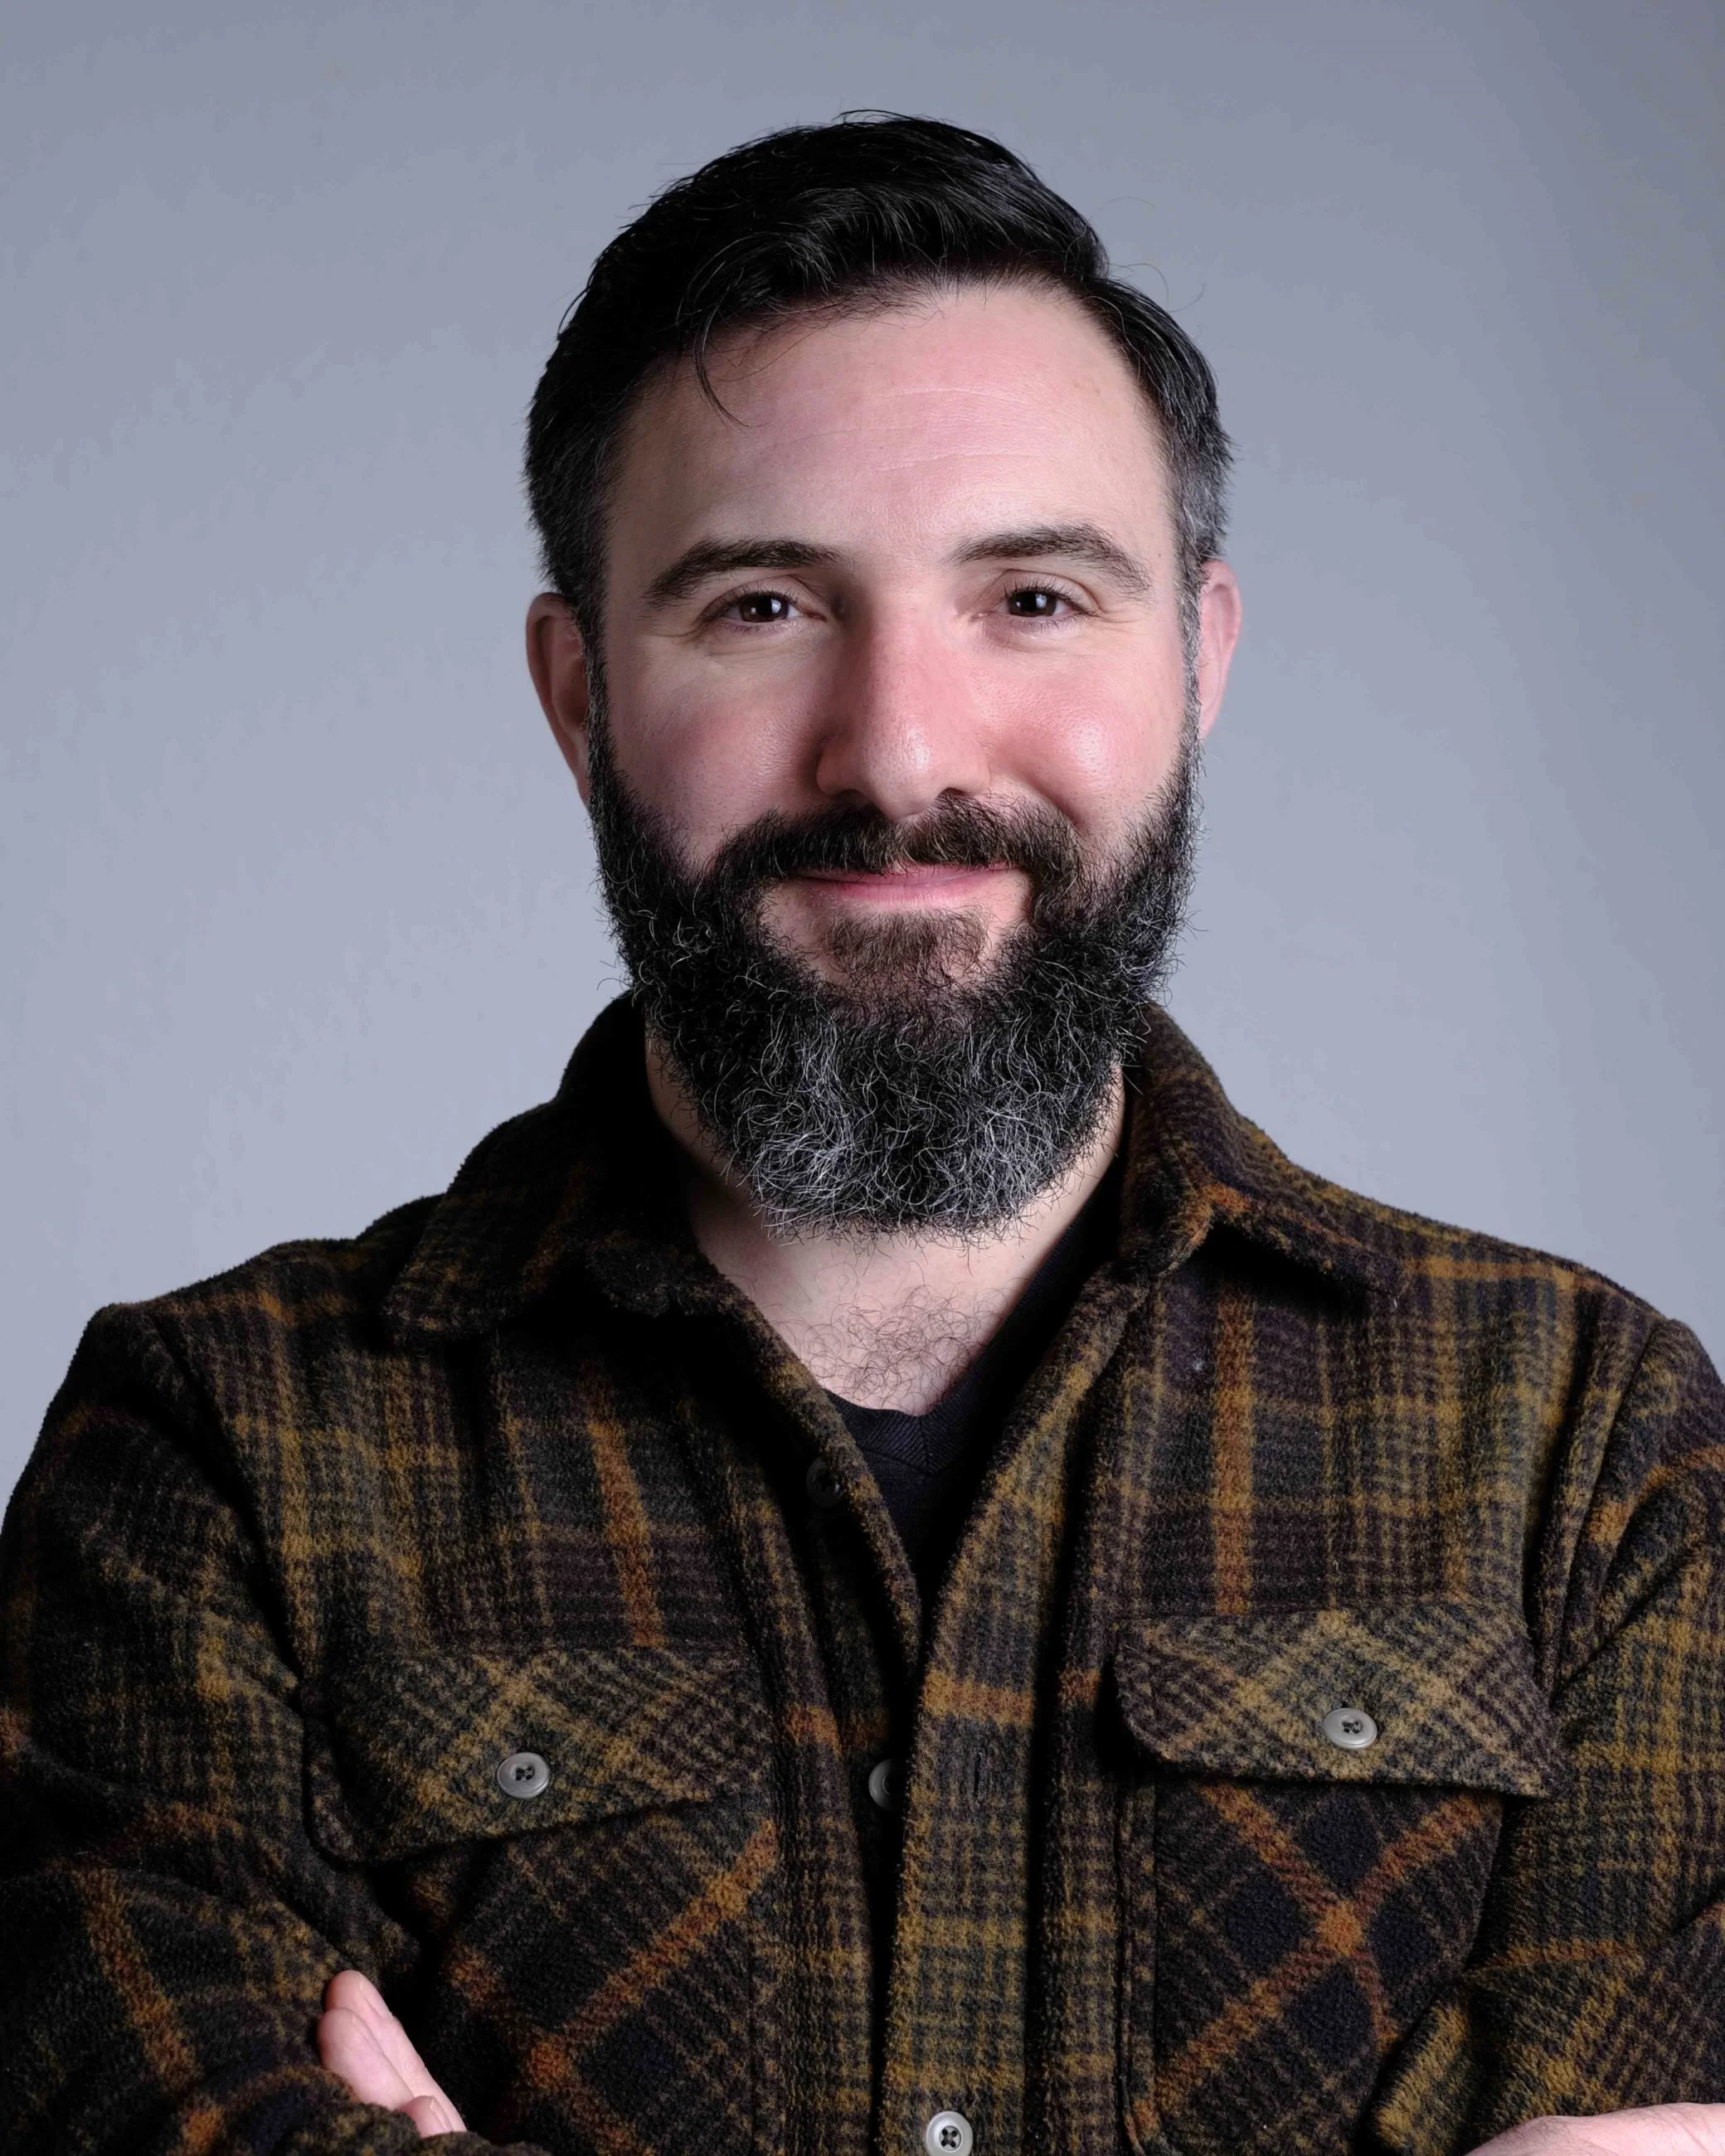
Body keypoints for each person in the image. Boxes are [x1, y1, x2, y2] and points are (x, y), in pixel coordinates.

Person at [2, 114, 1723, 2156]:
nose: (898, 747)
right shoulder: (214, 1457)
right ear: (579, 699)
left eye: (1031, 597)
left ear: (1197, 658)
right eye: (759, 606)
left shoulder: (1585, 1449)